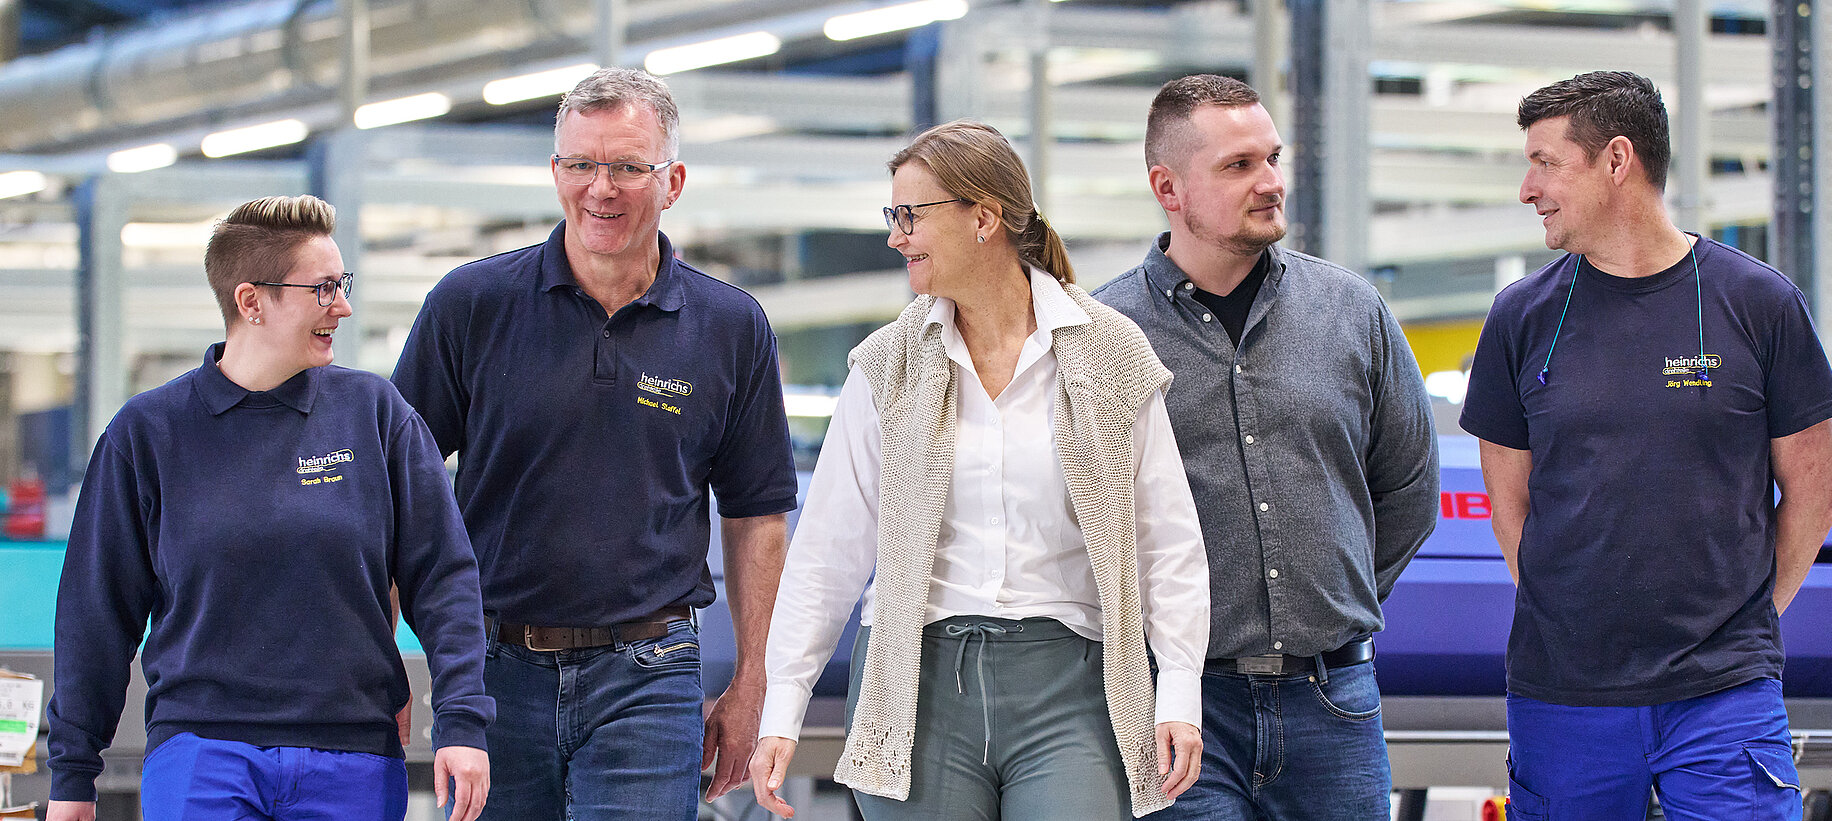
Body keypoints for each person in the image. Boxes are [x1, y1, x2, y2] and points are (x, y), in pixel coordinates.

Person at [747, 120, 1211, 820]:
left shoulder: (1108, 351)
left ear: (984, 218)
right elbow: (828, 553)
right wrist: (783, 706)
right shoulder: (886, 365)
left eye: (911, 215)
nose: (896, 236)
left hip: (1073, 689)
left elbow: (1167, 538)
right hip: (916, 686)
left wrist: (1179, 687)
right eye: (892, 215)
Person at [391, 67, 796, 820]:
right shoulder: (470, 306)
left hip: (650, 671)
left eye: (627, 167)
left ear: (672, 180)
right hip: (490, 669)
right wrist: (378, 655)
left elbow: (756, 515)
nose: (600, 188)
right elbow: (392, 492)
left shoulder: (730, 327)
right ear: (555, 172)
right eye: (581, 164)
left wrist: (753, 680)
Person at [1461, 71, 1832, 821]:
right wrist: (1569, 618)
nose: (1527, 187)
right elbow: (1509, 500)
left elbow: (1815, 493)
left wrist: (1747, 621)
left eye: (1545, 162)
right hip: (1564, 696)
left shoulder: (1759, 304)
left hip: (1723, 694)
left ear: (1615, 160)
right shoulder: (1520, 318)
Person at [45, 195, 492, 821]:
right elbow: (97, 613)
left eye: (343, 284)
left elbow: (443, 578)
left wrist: (463, 720)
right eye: (323, 288)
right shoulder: (148, 434)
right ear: (250, 301)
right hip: (202, 754)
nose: (343, 305)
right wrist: (72, 777)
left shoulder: (377, 417)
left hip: (351, 757)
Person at [1092, 74, 1439, 819]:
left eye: (1272, 158)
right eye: (1238, 165)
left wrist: (1333, 602)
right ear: (1168, 188)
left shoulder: (1352, 312)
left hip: (1335, 702)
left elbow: (1409, 489)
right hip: (1179, 715)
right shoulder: (1105, 335)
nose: (1270, 183)